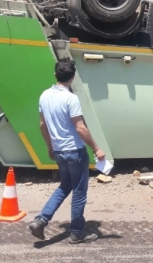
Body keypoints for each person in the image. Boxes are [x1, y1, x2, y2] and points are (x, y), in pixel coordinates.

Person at [29, 59, 105, 244]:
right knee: (79, 192)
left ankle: (41, 220)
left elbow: (42, 125)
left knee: (64, 186)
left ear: (55, 74)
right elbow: (80, 128)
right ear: (73, 76)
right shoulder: (71, 98)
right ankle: (77, 232)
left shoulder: (44, 95)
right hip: (75, 151)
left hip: (60, 151)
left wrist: (50, 147)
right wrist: (96, 148)